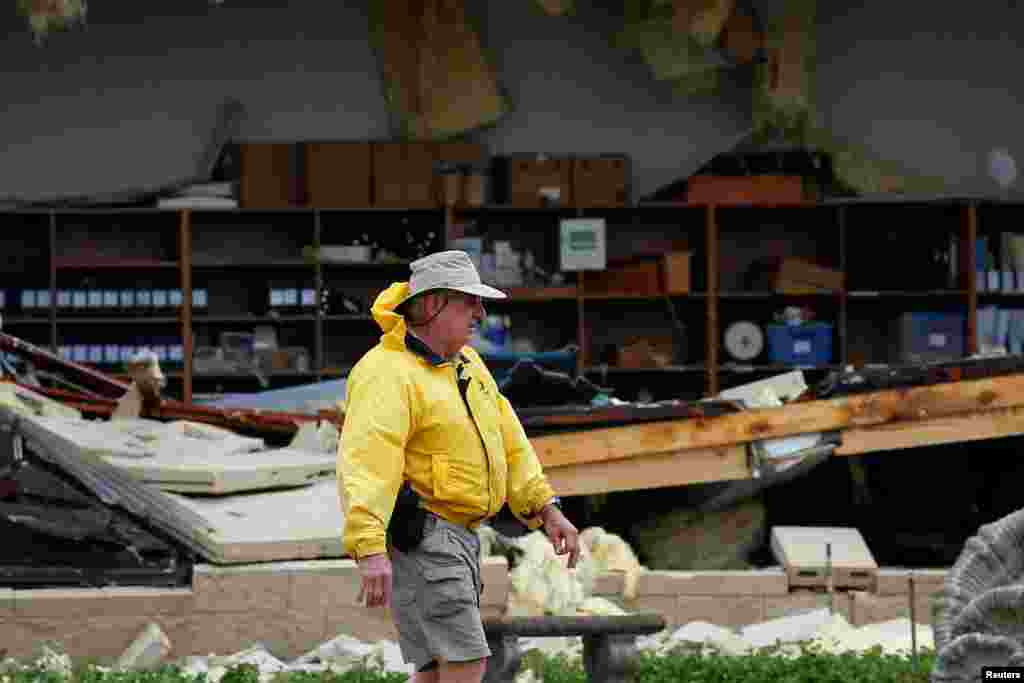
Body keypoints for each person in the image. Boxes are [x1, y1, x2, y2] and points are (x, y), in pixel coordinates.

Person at [337, 250, 579, 683]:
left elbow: (510, 442)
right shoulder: (386, 372)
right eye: (470, 302)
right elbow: (367, 462)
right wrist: (369, 548)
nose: (481, 314)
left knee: (434, 669)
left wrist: (547, 507)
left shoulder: (467, 363)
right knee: (466, 660)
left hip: (457, 539)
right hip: (428, 537)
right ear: (432, 305)